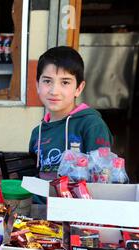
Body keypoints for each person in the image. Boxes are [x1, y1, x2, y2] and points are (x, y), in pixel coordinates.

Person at [28, 46, 113, 181]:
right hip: (41, 202)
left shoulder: (92, 125)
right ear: (38, 85)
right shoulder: (37, 132)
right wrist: (13, 176)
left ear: (79, 88)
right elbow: (36, 175)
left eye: (65, 82)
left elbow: (103, 177)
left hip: (77, 201)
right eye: (47, 81)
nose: (54, 91)